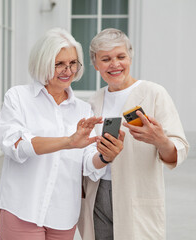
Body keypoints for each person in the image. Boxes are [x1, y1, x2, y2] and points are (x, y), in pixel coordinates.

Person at [0, 28, 125, 240]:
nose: (68, 70)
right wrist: (67, 142)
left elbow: (87, 162)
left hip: (63, 215)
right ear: (43, 62)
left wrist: (105, 156)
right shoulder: (18, 97)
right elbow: (14, 145)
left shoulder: (83, 109)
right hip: (22, 209)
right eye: (59, 64)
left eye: (73, 63)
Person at [78, 28, 189, 240]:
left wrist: (160, 141)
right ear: (95, 64)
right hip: (98, 195)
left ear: (130, 57)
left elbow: (179, 149)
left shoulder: (154, 93)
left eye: (121, 57)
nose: (115, 64)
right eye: (106, 59)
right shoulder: (93, 102)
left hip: (137, 193)